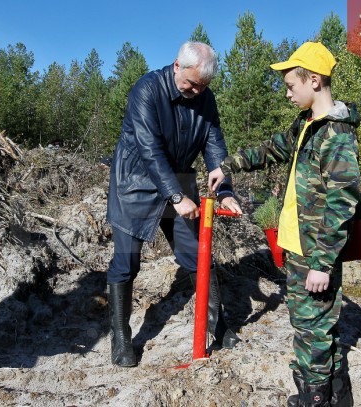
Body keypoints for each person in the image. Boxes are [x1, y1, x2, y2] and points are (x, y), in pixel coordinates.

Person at [210, 42, 359, 406]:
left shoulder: (336, 134)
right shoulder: (306, 125)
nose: (288, 93)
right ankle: (336, 393)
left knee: (312, 328)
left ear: (314, 80)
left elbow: (343, 201)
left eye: (292, 86)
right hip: (297, 246)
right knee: (313, 325)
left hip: (315, 253)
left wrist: (323, 262)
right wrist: (227, 165)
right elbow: (270, 148)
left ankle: (316, 398)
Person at [105, 41, 243, 368]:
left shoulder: (205, 99)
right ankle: (121, 337)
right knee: (127, 263)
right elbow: (149, 149)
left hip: (178, 179)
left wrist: (224, 189)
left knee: (198, 254)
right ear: (177, 65)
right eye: (192, 83)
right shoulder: (146, 90)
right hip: (135, 183)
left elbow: (215, 149)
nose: (196, 91)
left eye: (203, 86)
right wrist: (177, 197)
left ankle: (215, 324)